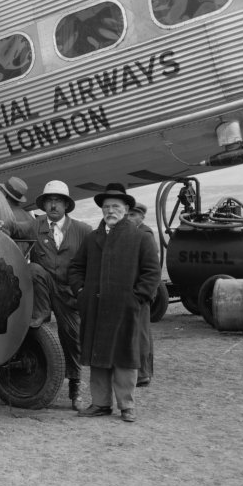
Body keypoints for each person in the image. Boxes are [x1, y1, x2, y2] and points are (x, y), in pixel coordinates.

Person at [70, 183, 161, 423]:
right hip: (96, 308)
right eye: (106, 207)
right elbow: (76, 267)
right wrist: (82, 292)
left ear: (126, 209)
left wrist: (136, 298)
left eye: (116, 207)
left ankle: (126, 405)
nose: (110, 211)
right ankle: (100, 404)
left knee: (124, 357)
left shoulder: (140, 238)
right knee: (98, 357)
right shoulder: (92, 239)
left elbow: (152, 273)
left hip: (126, 309)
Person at [25, 180, 94, 409]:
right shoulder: (34, 226)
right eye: (49, 201)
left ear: (66, 205)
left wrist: (84, 290)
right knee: (33, 269)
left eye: (58, 201)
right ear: (44, 205)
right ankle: (41, 315)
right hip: (44, 289)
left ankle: (75, 387)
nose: (53, 205)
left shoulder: (83, 230)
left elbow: (94, 259)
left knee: (73, 338)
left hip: (69, 293)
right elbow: (11, 227)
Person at [126, 202, 156, 388]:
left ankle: (143, 374)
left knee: (142, 334)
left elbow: (151, 268)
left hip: (140, 292)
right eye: (128, 214)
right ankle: (138, 372)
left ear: (141, 217)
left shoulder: (145, 234)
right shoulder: (131, 233)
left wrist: (142, 293)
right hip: (133, 291)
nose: (129, 218)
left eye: (133, 215)